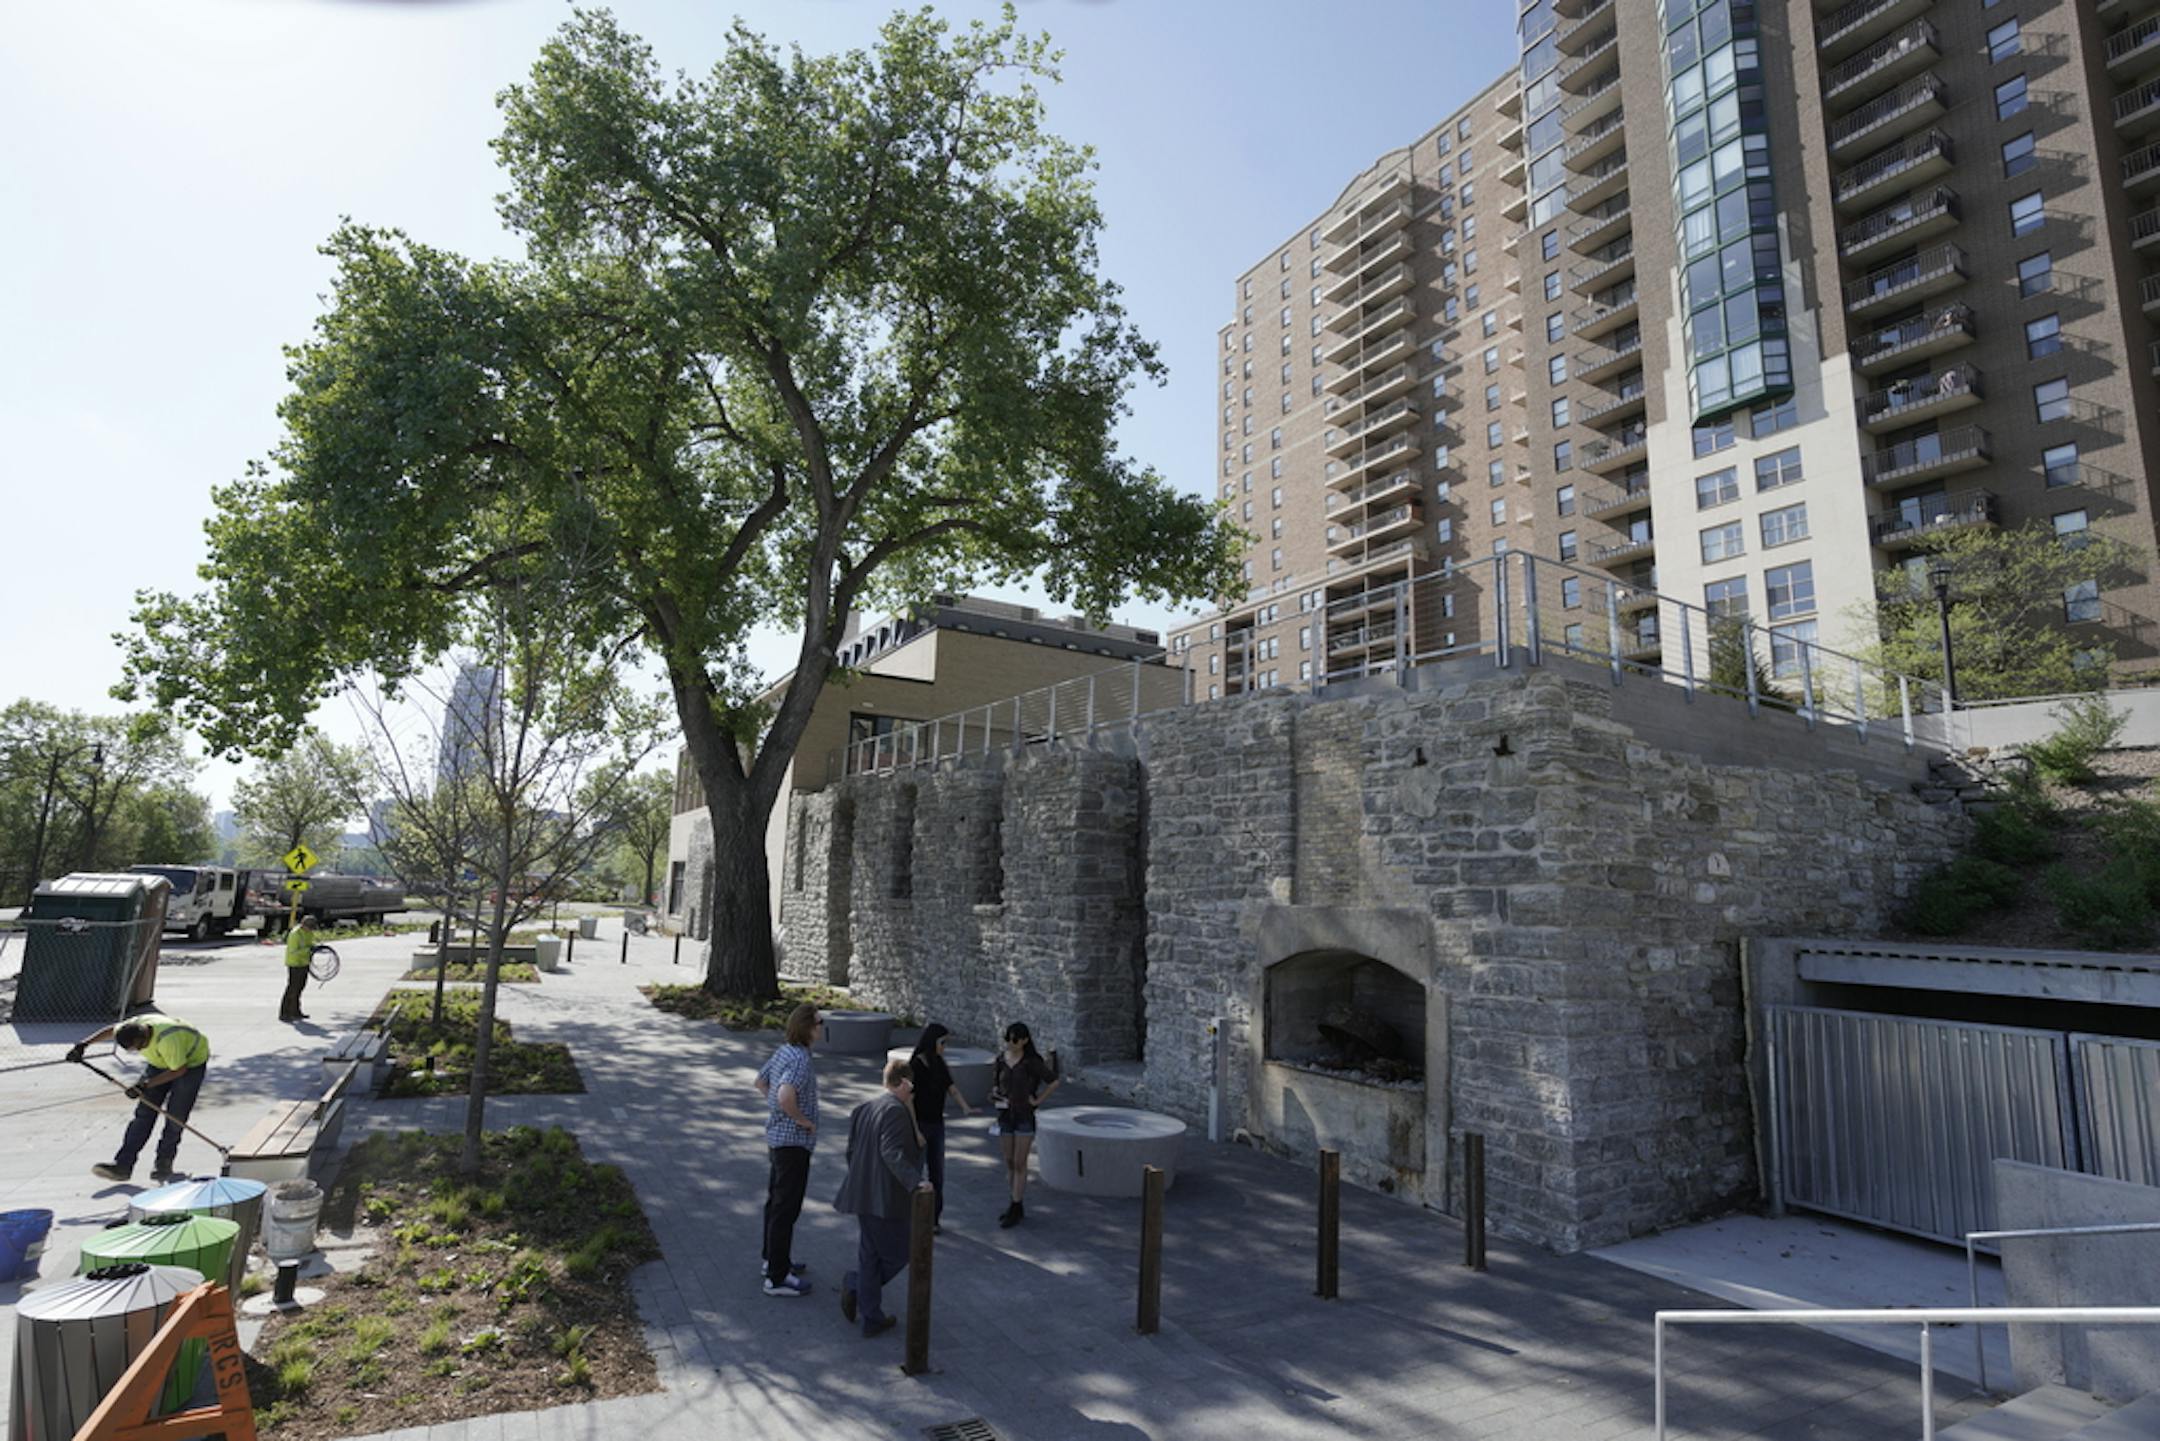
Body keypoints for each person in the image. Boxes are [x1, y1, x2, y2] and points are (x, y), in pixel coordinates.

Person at [833, 1057, 934, 1338]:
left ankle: (871, 1316)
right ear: (903, 1083)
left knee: (870, 1254)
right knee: (900, 1253)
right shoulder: (895, 1111)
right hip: (884, 1199)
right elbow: (891, 1152)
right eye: (911, 1088)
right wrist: (916, 1182)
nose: (912, 1094)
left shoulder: (864, 1108)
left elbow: (851, 1152)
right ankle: (855, 1286)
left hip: (862, 1195)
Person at [69, 1017, 211, 1184]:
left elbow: (178, 1070)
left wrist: (144, 1085)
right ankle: (123, 1165)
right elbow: (111, 1030)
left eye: (139, 1047)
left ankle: (163, 1163)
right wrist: (83, 1045)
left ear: (145, 1036)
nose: (137, 1050)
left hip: (189, 1065)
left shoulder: (168, 1039)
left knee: (176, 1116)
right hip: (160, 1062)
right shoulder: (131, 1028)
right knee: (144, 1114)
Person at [752, 1003, 821, 1297]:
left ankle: (773, 1260)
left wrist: (779, 1113)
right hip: (793, 1145)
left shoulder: (784, 1052)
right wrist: (802, 1120)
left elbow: (760, 1081)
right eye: (819, 1022)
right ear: (806, 1027)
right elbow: (784, 1095)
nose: (821, 1027)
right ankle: (777, 1279)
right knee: (786, 1209)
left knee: (775, 1203)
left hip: (778, 1140)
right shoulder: (801, 1061)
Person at [990, 1021, 1059, 1228]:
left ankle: (1016, 1203)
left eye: (1014, 1039)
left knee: (1020, 1162)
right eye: (1007, 1039)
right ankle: (1014, 1201)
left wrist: (1037, 1100)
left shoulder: (1031, 1062)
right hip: (1005, 1115)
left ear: (1024, 1041)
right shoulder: (1001, 1060)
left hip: (1024, 1116)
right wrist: (994, 1094)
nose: (1010, 1043)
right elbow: (996, 1084)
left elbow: (1053, 1081)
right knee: (1010, 1161)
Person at [907, 1023, 974, 1233]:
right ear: (932, 1042)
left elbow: (951, 1088)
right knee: (915, 1172)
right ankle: (913, 1216)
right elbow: (909, 1099)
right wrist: (914, 1130)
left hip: (937, 1124)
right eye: (942, 1042)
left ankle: (934, 1218)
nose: (944, 1047)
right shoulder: (916, 1065)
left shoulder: (939, 1063)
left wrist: (966, 1108)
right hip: (920, 1123)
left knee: (938, 1174)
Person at [281, 915, 317, 1022]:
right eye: (309, 928)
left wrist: (314, 947)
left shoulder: (308, 933)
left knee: (300, 988)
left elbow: (309, 944)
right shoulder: (295, 934)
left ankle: (295, 1011)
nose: (310, 930)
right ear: (303, 925)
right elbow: (293, 951)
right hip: (295, 964)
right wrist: (308, 950)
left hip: (304, 963)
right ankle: (285, 1013)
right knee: (292, 988)